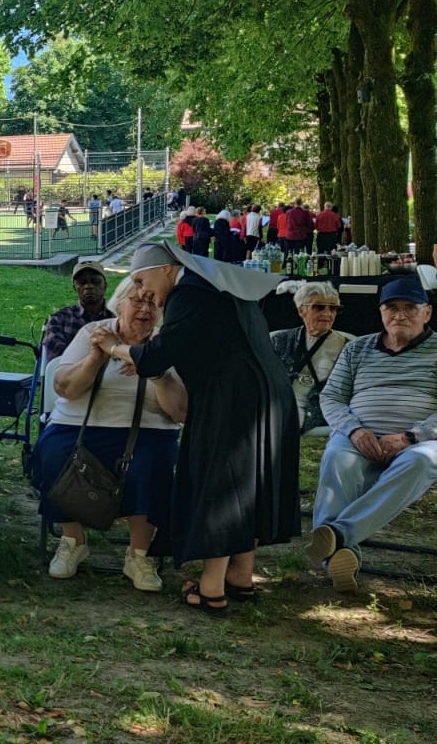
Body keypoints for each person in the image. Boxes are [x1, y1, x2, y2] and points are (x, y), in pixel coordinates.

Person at [94, 243, 298, 612]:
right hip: (271, 395)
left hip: (233, 400)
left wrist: (114, 348)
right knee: (249, 486)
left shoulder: (188, 292)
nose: (141, 291)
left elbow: (157, 354)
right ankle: (240, 575)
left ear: (168, 269)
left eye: (142, 279)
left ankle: (211, 589)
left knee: (220, 488)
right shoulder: (218, 286)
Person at [34, 280, 188, 588]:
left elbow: (180, 411)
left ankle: (139, 555)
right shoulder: (95, 332)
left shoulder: (167, 341)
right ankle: (72, 542)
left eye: (153, 303)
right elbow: (64, 387)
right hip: (78, 423)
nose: (145, 310)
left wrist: (155, 371)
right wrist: (96, 358)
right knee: (52, 453)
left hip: (149, 428)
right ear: (119, 304)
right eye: (137, 301)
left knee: (152, 463)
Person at [306, 277, 437, 592]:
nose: (399, 315)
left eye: (410, 308)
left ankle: (337, 536)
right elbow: (332, 397)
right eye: (391, 308)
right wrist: (354, 429)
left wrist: (410, 437)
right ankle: (339, 557)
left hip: (418, 441)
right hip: (357, 435)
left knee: (421, 463)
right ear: (381, 312)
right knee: (337, 459)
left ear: (428, 313)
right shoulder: (358, 348)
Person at [269, 282, 353, 432]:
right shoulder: (279, 340)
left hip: (316, 411)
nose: (327, 314)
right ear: (302, 310)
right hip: (278, 404)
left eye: (334, 308)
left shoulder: (348, 348)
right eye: (319, 307)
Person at [40, 261, 113, 364]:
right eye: (82, 282)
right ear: (75, 288)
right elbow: (56, 358)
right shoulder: (59, 319)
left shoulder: (118, 317)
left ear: (105, 286)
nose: (88, 286)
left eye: (95, 281)